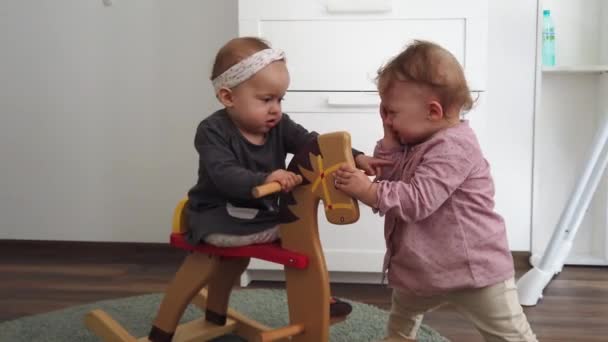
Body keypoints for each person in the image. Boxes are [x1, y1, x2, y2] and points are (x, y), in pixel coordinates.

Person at [334, 40, 537, 342]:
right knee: (400, 324)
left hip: (474, 273)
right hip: (423, 270)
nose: (387, 120)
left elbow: (417, 200)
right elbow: (396, 177)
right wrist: (389, 142)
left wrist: (368, 191)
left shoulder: (454, 146)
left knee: (511, 335)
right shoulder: (416, 142)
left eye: (392, 112)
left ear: (432, 111)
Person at [186, 36, 391, 318]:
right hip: (218, 216)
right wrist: (266, 178)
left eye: (280, 99)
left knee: (299, 230)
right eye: (266, 99)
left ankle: (316, 295)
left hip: (261, 214)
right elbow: (224, 175)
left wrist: (355, 157)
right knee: (296, 232)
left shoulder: (279, 125)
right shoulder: (212, 131)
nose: (275, 108)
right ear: (228, 97)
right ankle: (315, 297)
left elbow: (312, 144)